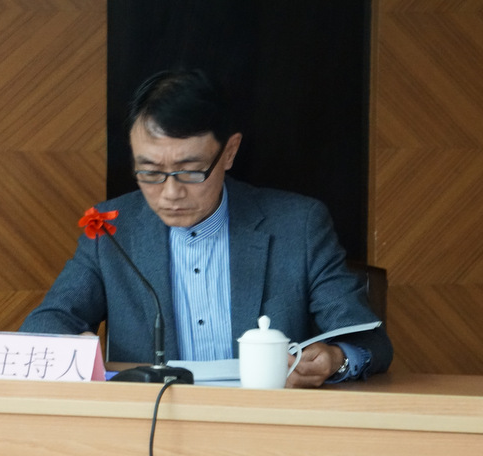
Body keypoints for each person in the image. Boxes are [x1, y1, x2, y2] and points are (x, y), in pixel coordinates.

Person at [20, 69, 393, 387]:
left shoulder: (298, 225)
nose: (170, 193)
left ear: (229, 152)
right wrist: (71, 347)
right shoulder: (112, 229)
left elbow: (368, 340)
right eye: (150, 172)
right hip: (150, 423)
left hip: (266, 423)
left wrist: (336, 359)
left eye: (190, 171)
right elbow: (46, 323)